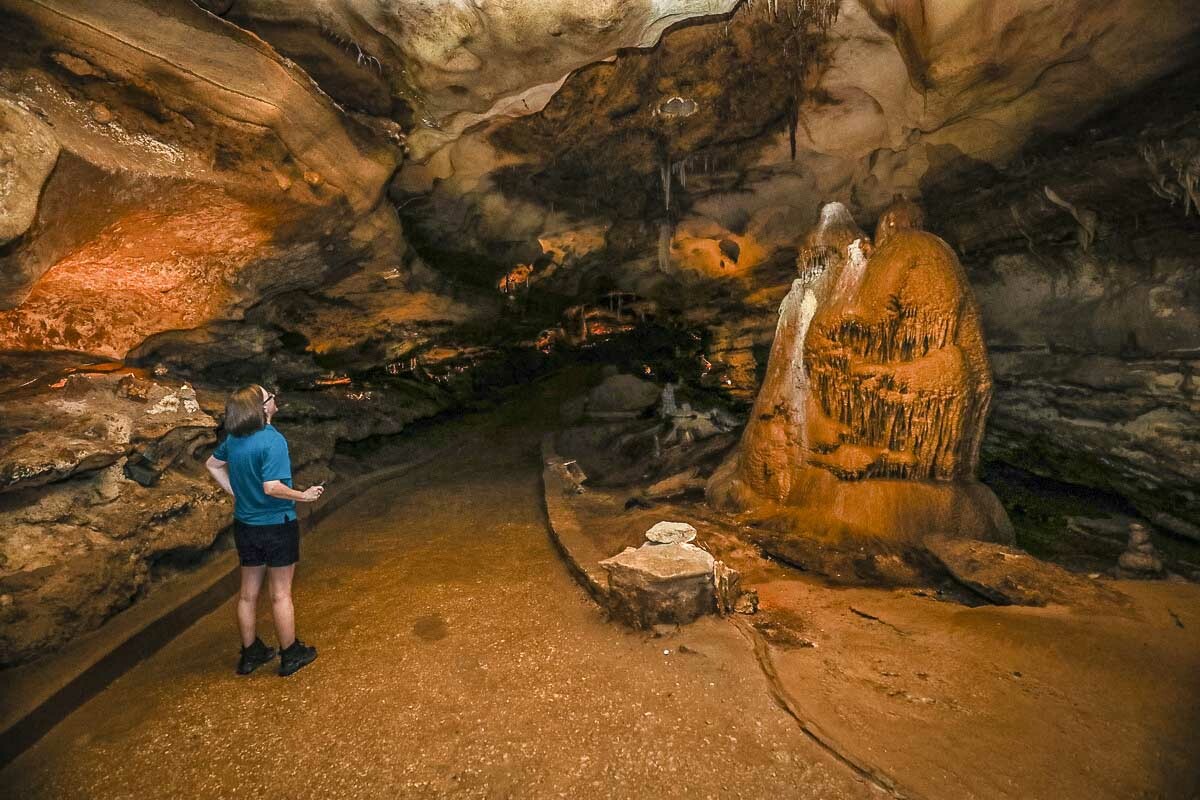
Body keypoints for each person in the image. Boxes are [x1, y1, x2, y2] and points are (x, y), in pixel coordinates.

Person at [205, 385, 324, 676]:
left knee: (247, 594)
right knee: (280, 594)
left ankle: (250, 654)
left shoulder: (235, 438)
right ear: (263, 407)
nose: (275, 398)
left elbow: (212, 464)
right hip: (276, 525)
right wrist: (304, 496)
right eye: (270, 396)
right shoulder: (273, 440)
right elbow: (272, 487)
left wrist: (238, 493)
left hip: (246, 526)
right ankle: (290, 652)